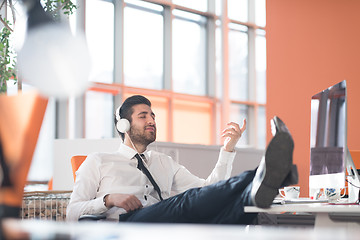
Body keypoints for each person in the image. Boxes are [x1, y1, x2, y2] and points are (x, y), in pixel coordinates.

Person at [66, 95, 297, 223]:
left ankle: (260, 187)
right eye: (143, 116)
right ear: (123, 125)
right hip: (126, 226)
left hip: (164, 221)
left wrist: (227, 150)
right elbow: (72, 212)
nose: (152, 121)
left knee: (235, 212)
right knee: (185, 201)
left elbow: (208, 189)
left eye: (153, 116)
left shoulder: (163, 162)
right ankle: (265, 174)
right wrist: (108, 199)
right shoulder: (99, 160)